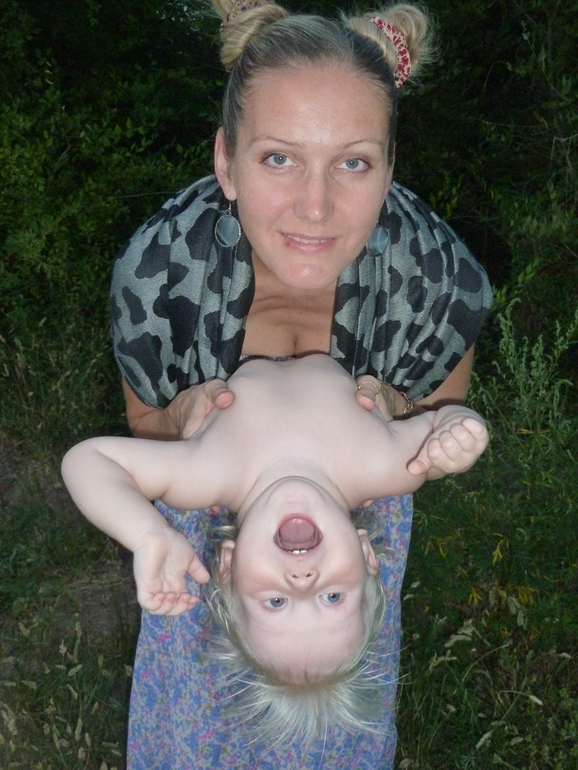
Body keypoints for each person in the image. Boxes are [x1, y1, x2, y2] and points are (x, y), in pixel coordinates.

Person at [107, 1, 493, 767]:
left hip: (347, 577)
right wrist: (179, 419)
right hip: (202, 567)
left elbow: (441, 425)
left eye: (353, 163)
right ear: (226, 162)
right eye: (279, 159)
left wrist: (403, 414)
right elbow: (142, 433)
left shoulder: (437, 281)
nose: (315, 208)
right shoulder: (160, 275)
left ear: (389, 167)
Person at [62, 354, 488, 686]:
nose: (302, 582)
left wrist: (148, 533)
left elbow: (87, 460)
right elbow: (446, 421)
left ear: (228, 566)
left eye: (276, 603)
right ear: (366, 555)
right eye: (333, 598)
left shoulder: (206, 472)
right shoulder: (388, 466)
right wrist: (461, 432)